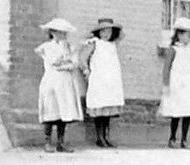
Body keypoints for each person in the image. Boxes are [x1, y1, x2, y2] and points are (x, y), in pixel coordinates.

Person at [36, 17, 83, 153]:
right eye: (58, 32)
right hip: (51, 80)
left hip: (65, 82)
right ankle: (47, 141)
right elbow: (53, 63)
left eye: (63, 33)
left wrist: (66, 63)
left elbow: (74, 64)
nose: (61, 35)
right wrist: (63, 60)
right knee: (51, 111)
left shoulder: (70, 47)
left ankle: (61, 142)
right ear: (52, 32)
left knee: (64, 112)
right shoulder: (46, 47)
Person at [159, 17, 190, 148]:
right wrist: (166, 85)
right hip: (177, 84)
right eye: (187, 34)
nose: (189, 37)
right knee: (176, 112)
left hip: (189, 83)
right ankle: (172, 137)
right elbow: (166, 68)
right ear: (179, 35)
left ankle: (184, 139)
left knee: (188, 111)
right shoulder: (173, 49)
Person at [80, 17, 125, 147]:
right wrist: (86, 70)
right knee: (99, 108)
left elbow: (122, 36)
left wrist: (116, 30)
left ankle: (106, 136)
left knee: (107, 109)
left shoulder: (112, 45)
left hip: (111, 81)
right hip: (99, 79)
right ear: (98, 32)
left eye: (109, 31)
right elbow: (82, 58)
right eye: (103, 31)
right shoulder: (94, 43)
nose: (106, 34)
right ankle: (99, 137)